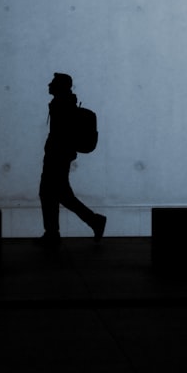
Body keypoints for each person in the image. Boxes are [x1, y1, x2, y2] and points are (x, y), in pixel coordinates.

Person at [36, 72, 106, 249]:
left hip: (57, 156)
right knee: (59, 194)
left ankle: (55, 233)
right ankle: (57, 231)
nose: (49, 84)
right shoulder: (63, 103)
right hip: (60, 155)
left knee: (51, 193)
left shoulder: (61, 105)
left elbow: (60, 134)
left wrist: (54, 151)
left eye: (52, 82)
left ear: (60, 86)